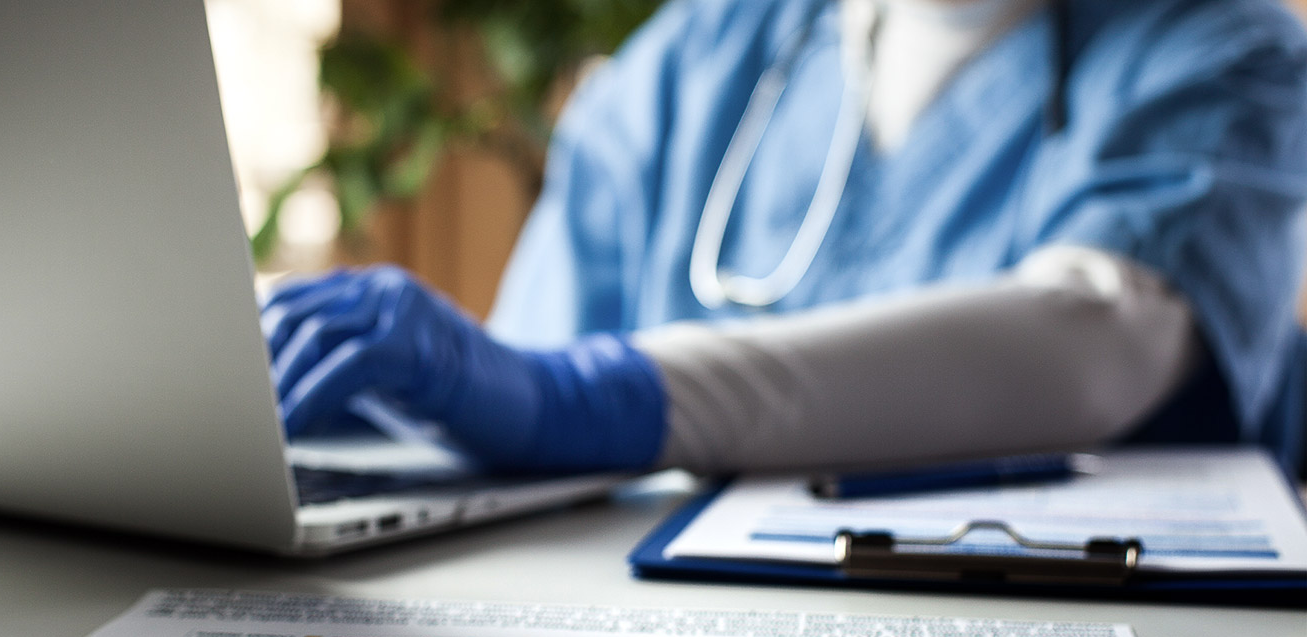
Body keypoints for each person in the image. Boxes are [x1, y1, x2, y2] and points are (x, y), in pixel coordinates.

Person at [262, 0, 1307, 475]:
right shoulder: (697, 55)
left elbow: (1101, 339)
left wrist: (599, 397)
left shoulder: (1223, 46)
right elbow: (515, 407)